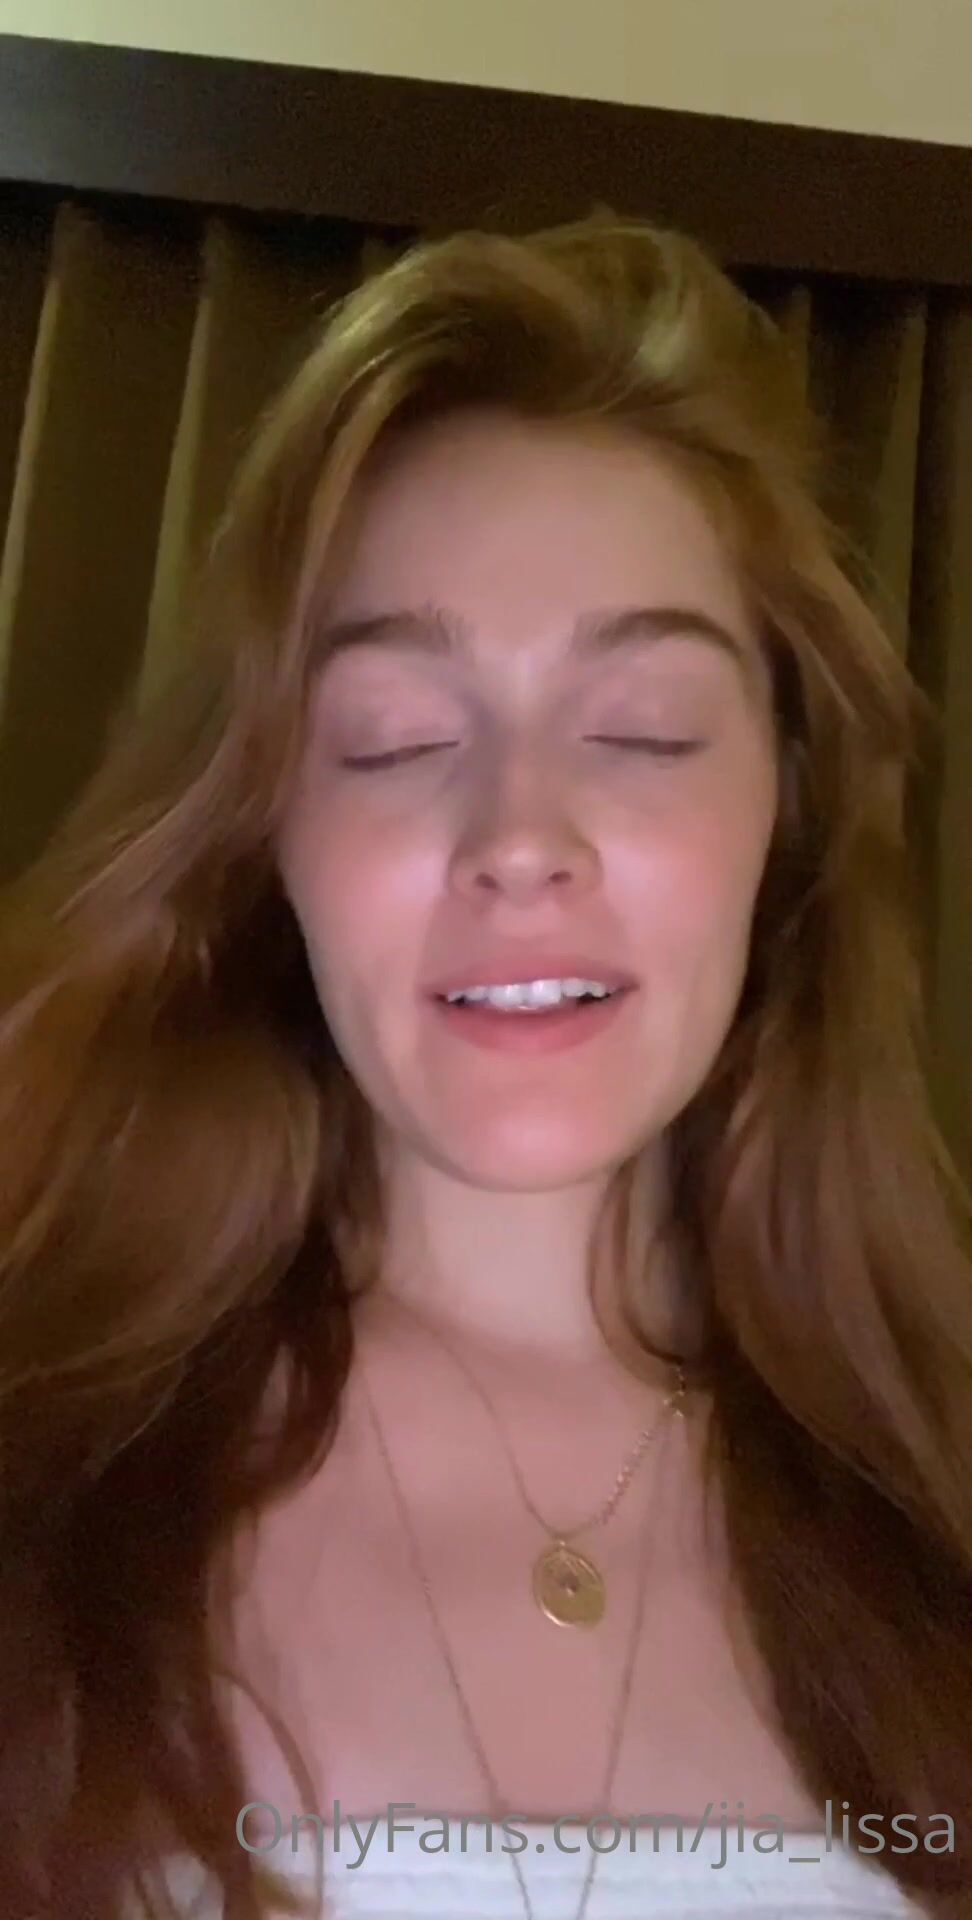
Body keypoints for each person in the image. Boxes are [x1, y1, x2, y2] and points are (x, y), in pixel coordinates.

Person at [0, 208, 969, 1920]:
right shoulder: (41, 1464)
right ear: (266, 832)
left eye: (643, 728)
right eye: (395, 740)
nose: (520, 839)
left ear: (789, 804)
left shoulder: (937, 1494)